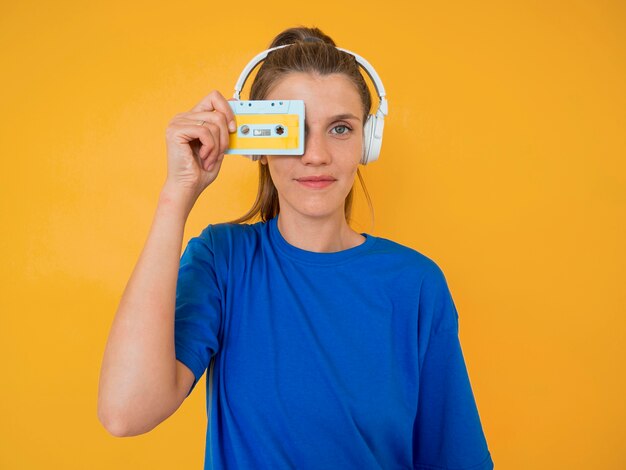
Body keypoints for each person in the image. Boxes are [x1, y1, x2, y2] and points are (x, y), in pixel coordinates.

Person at [98, 26, 494, 470]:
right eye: (293, 130)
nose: (317, 154)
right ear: (258, 144)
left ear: (368, 142)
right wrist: (177, 195)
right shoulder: (222, 260)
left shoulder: (415, 284)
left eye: (340, 128)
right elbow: (125, 411)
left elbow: (454, 458)